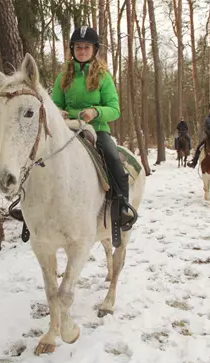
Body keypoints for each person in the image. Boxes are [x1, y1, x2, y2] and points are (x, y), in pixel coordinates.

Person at [51, 26, 136, 229]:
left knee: (112, 155)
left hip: (96, 129)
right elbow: (54, 103)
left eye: (86, 47)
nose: (82, 51)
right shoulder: (62, 77)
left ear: (94, 49)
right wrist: (59, 111)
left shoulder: (103, 76)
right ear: (72, 49)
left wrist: (95, 112)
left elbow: (114, 109)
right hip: (67, 128)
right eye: (78, 47)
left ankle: (122, 204)